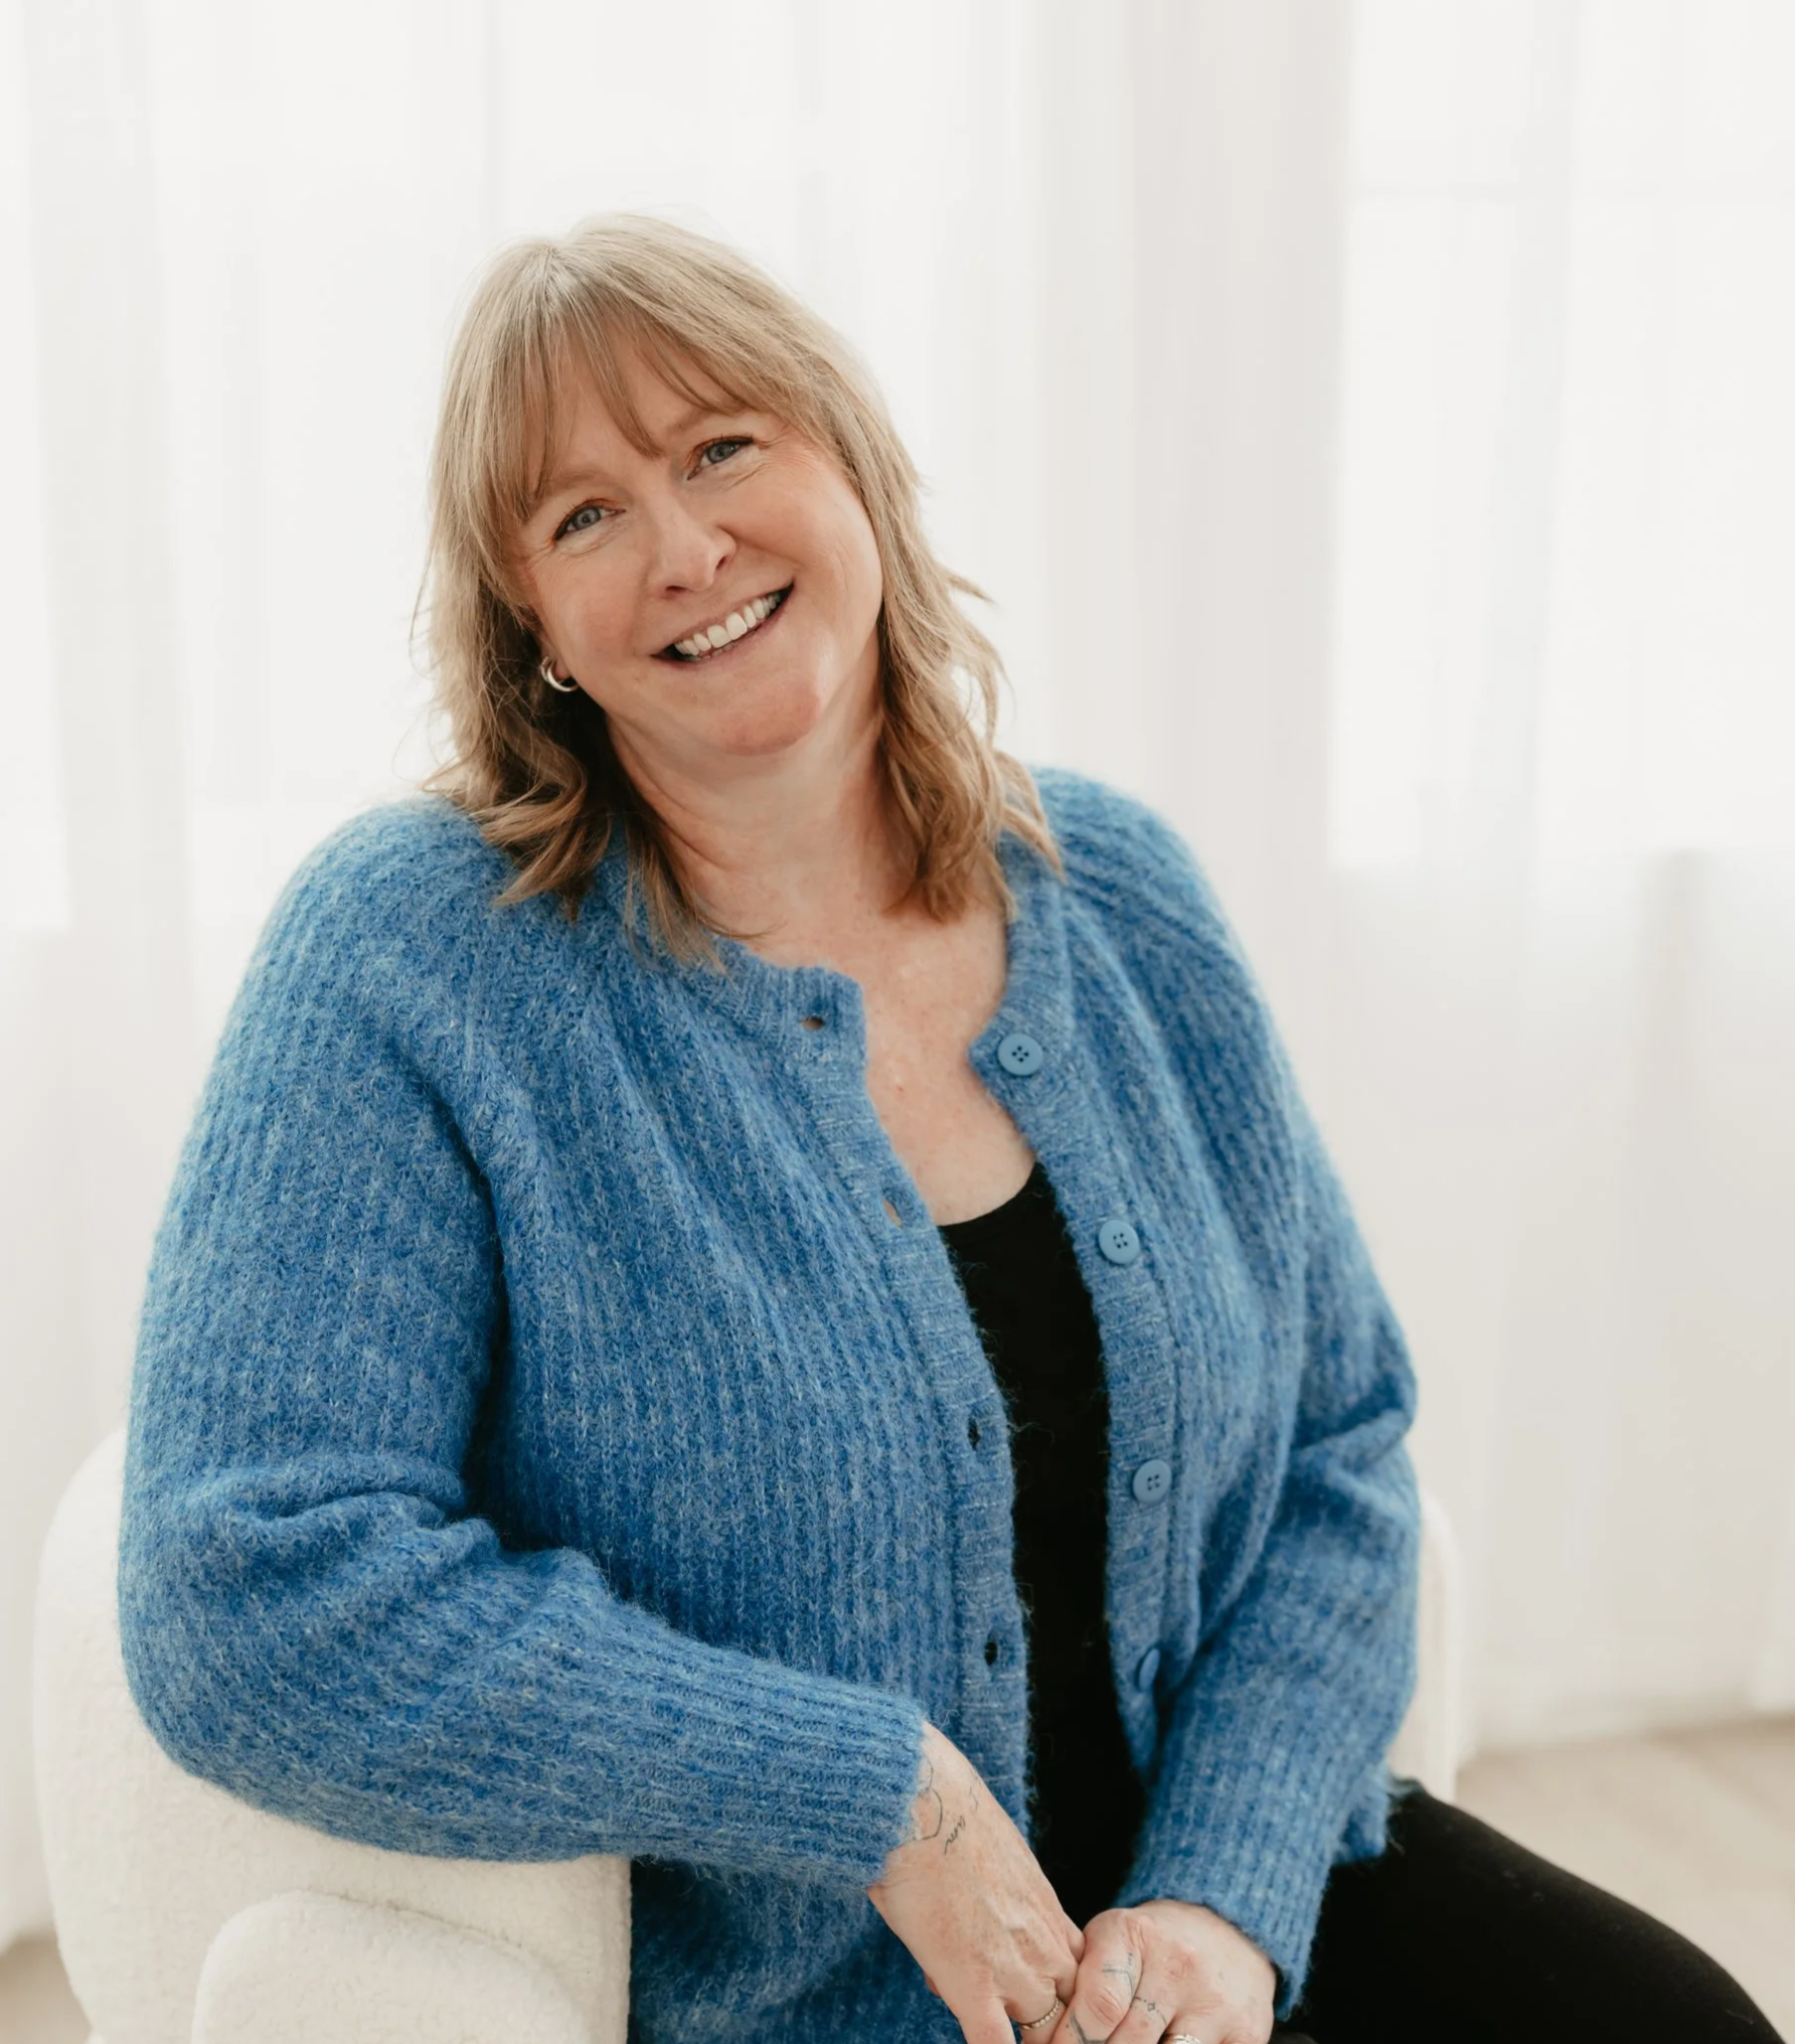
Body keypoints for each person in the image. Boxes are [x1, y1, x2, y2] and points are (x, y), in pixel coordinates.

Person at [115, 215, 1783, 2044]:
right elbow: (245, 1591)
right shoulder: (422, 956)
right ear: (537, 633)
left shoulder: (1120, 891)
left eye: (721, 449)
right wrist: (872, 1795)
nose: (685, 549)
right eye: (582, 517)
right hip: (839, 2001)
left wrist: (1223, 1892)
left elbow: (1340, 1445)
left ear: (858, 471)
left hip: (1235, 1934)